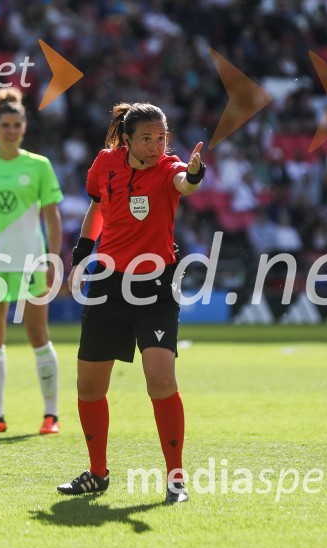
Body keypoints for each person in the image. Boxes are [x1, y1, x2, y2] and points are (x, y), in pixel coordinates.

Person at [57, 102, 205, 504]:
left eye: (162, 138)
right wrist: (82, 252)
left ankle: (176, 480)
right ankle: (97, 474)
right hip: (108, 284)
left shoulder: (169, 168)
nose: (156, 146)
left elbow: (185, 184)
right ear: (126, 139)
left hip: (154, 287)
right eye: (147, 138)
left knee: (160, 381)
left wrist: (194, 174)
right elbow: (97, 207)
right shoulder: (105, 163)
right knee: (89, 387)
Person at [0, 88, 63, 435]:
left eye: (17, 124)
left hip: (31, 260)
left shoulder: (39, 166)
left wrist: (53, 258)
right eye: (5, 124)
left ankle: (51, 416)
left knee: (39, 334)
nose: (11, 130)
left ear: (24, 127)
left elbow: (52, 217)